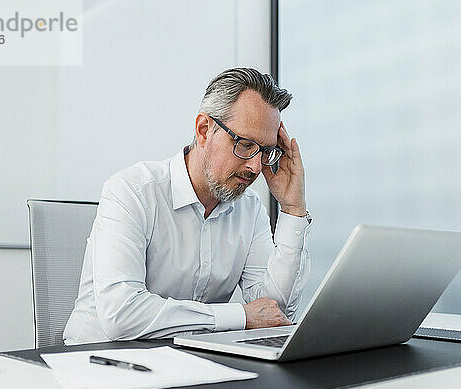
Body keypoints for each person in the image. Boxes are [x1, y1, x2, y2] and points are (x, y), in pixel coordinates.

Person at [63, 67, 312, 344]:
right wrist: (239, 316)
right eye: (244, 144)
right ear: (204, 130)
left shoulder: (249, 209)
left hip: (190, 364)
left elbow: (273, 313)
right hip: (98, 363)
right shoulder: (132, 191)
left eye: (266, 151)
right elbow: (121, 316)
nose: (255, 166)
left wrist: (292, 210)